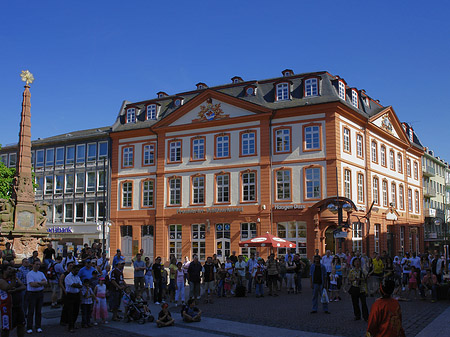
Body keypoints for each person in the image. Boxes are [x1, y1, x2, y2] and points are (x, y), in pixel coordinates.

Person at [26, 260, 47, 334]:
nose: (38, 266)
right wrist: (41, 283)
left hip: (40, 293)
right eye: (36, 264)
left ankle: (38, 326)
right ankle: (29, 327)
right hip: (32, 294)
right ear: (33, 265)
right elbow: (32, 284)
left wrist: (39, 283)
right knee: (31, 311)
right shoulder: (30, 274)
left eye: (39, 264)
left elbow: (45, 282)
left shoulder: (41, 273)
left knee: (39, 311)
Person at [9, 267, 26, 337]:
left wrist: (15, 289)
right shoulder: (3, 280)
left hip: (18, 305)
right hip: (9, 306)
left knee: (21, 324)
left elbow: (23, 286)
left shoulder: (16, 279)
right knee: (9, 326)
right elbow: (8, 288)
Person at [64, 265, 82, 333]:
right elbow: (73, 285)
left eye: (78, 270)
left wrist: (77, 285)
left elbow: (80, 285)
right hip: (70, 295)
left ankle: (73, 324)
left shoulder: (77, 277)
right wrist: (77, 285)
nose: (77, 271)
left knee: (76, 310)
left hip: (76, 295)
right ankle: (70, 326)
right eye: (76, 270)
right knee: (70, 311)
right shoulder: (68, 277)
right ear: (72, 270)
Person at [59, 262, 74, 327]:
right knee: (65, 307)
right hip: (66, 292)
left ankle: (69, 320)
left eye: (72, 266)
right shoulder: (64, 274)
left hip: (72, 292)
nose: (71, 267)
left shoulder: (73, 274)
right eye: (70, 266)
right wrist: (64, 290)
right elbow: (60, 282)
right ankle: (63, 320)